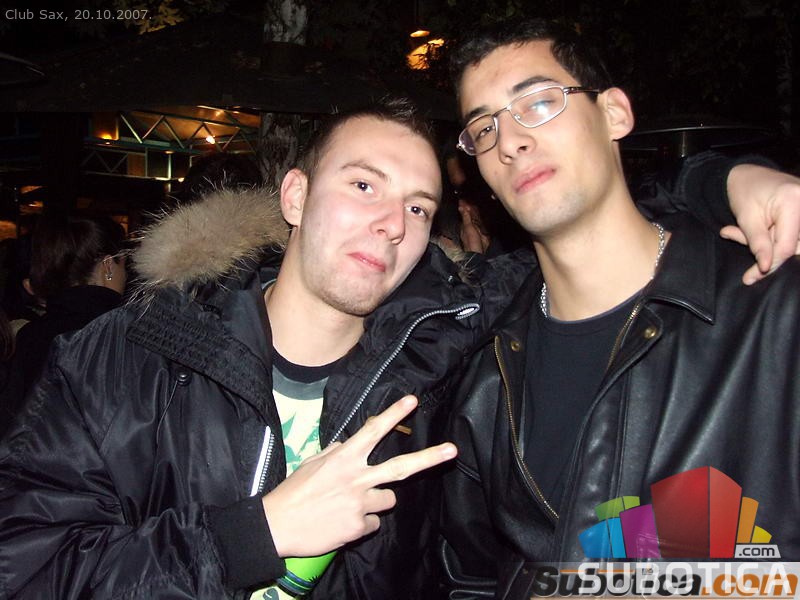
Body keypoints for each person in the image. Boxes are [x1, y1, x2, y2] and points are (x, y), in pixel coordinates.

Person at [0, 95, 798, 600]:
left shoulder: (444, 351)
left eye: (419, 207)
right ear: (295, 195)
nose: (391, 223)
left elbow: (587, 212)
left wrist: (725, 181)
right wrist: (253, 537)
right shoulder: (129, 354)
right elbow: (25, 566)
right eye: (363, 186)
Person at [438, 18, 800, 598]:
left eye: (539, 102)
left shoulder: (772, 311)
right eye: (484, 128)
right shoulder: (487, 381)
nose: (509, 142)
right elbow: (472, 579)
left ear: (614, 114)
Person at [0, 214, 127, 436]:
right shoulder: (125, 333)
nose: (126, 275)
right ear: (108, 266)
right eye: (124, 265)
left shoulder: (31, 335)